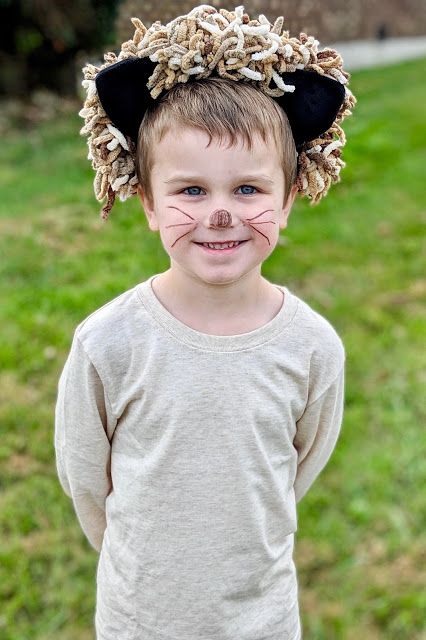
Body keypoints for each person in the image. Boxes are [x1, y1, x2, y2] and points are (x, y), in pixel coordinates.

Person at [54, 5, 356, 639]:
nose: (221, 213)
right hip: (140, 619)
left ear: (289, 196)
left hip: (264, 619)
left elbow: (298, 467)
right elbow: (87, 482)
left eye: (248, 189)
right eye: (191, 191)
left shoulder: (311, 348)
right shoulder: (108, 343)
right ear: (147, 203)